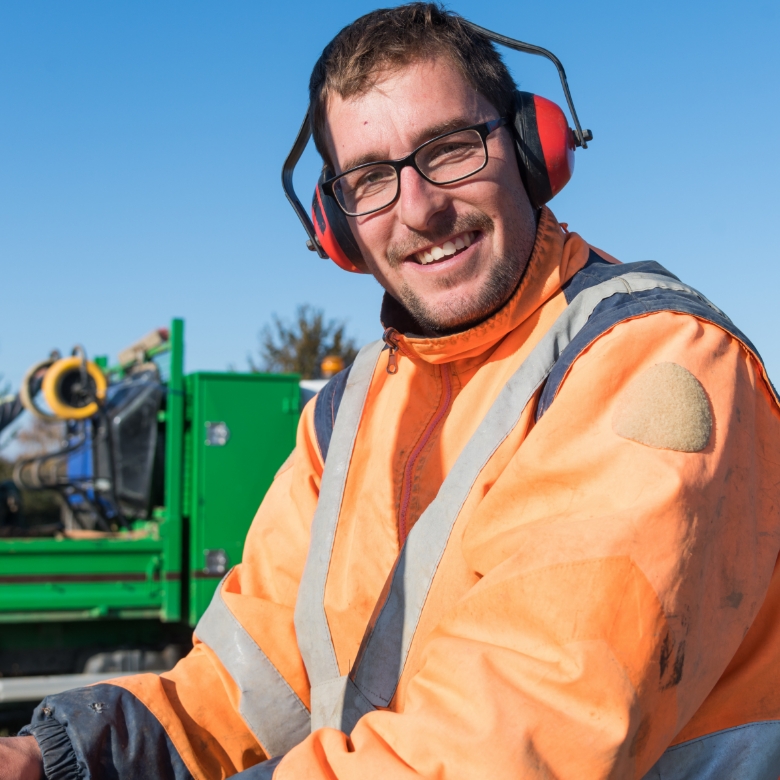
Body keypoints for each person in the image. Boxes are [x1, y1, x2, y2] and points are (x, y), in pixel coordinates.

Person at [4, 4, 780, 779]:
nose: (418, 208)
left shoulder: (654, 365)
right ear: (336, 224)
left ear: (532, 148)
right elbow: (255, 684)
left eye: (449, 150)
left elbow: (508, 738)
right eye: (371, 178)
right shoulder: (346, 414)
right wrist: (56, 758)